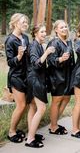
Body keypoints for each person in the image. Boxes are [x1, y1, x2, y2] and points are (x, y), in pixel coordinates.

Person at [25, 24, 55, 148]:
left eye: (45, 32)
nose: (44, 34)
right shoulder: (33, 46)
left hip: (36, 79)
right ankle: (30, 139)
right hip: (35, 80)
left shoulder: (38, 45)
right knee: (41, 108)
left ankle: (31, 134)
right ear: (35, 33)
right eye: (42, 32)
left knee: (33, 107)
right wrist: (47, 52)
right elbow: (36, 64)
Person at [47, 20, 75, 135]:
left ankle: (54, 122)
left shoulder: (68, 42)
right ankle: (53, 126)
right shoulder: (54, 43)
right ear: (56, 30)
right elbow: (50, 60)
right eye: (61, 27)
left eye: (65, 26)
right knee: (57, 100)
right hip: (57, 75)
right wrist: (60, 59)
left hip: (68, 74)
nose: (64, 29)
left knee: (67, 98)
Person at [5, 13, 29, 143]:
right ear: (15, 23)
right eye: (22, 21)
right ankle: (11, 132)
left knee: (25, 106)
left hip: (26, 76)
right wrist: (19, 56)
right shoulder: (10, 40)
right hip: (16, 76)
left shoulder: (25, 37)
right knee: (21, 105)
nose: (25, 24)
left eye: (26, 22)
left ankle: (16, 128)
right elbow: (10, 62)